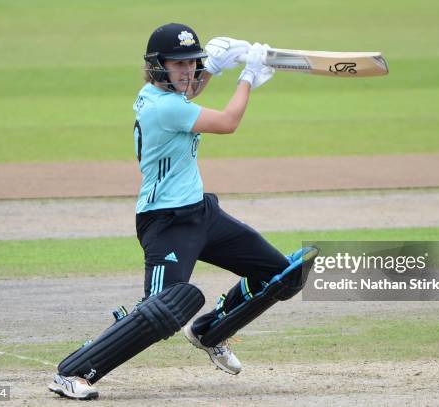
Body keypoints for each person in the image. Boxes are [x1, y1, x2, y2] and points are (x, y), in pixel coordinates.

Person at [48, 22, 317, 400]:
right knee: (160, 311)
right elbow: (228, 122)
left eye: (193, 63)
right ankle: (74, 372)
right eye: (179, 65)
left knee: (281, 277)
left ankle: (211, 331)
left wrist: (214, 69)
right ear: (158, 65)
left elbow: (187, 93)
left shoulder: (163, 95)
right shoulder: (163, 106)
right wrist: (247, 78)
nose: (188, 71)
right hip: (165, 224)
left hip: (202, 215)